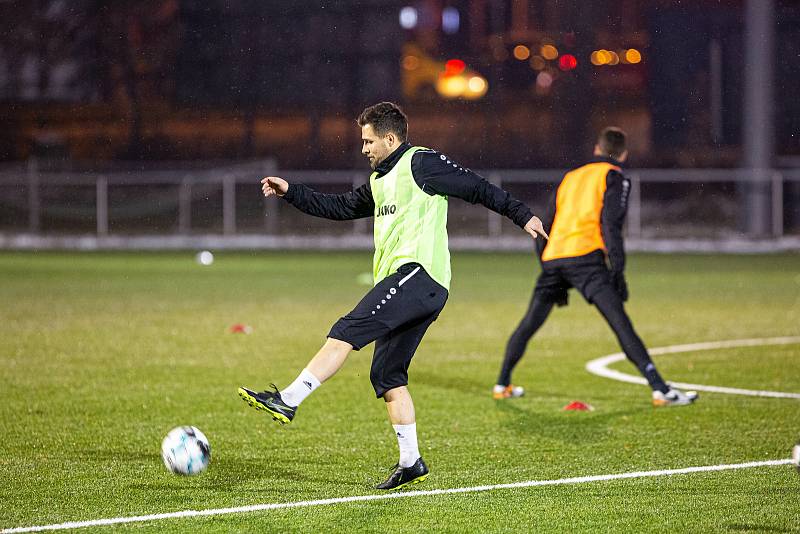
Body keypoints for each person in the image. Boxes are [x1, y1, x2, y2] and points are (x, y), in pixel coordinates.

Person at [238, 101, 548, 490]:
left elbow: (476, 187)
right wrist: (291, 192)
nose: (364, 148)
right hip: (414, 285)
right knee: (386, 376)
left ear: (390, 137)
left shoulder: (421, 162)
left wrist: (522, 214)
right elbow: (338, 207)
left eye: (369, 141)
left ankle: (289, 399)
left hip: (418, 275)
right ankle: (411, 461)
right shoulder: (380, 180)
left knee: (346, 330)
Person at [493, 127, 698, 407]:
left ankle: (502, 383)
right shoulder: (613, 176)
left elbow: (546, 225)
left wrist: (548, 264)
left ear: (596, 150)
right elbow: (611, 226)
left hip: (555, 257)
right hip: (586, 259)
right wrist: (618, 271)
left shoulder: (570, 177)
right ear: (623, 154)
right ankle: (660, 389)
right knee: (620, 323)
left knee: (530, 323)